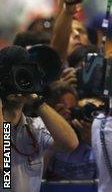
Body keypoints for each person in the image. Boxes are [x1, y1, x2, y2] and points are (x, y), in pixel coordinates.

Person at [0, 46, 79, 191]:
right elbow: (3, 161)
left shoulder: (35, 127)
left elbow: (70, 144)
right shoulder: (5, 128)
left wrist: (37, 102)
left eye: (22, 75)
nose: (16, 82)